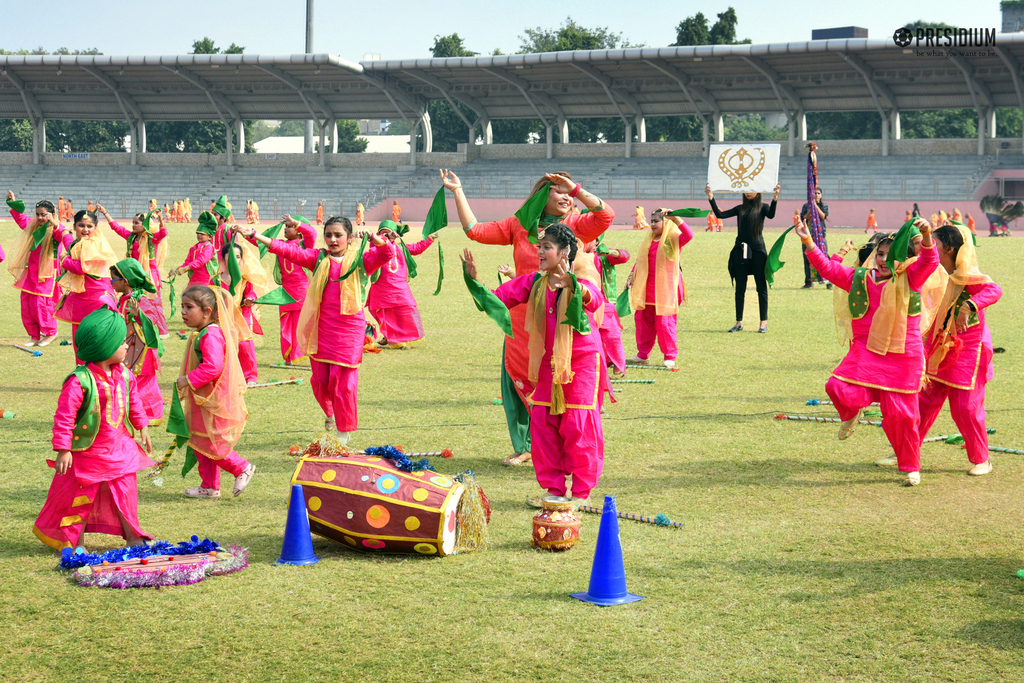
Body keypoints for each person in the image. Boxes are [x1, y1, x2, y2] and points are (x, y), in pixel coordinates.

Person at [440, 168, 614, 467]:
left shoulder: (573, 225)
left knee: (560, 383)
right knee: (517, 382)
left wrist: (576, 189)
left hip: (562, 322)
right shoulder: (519, 226)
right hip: (522, 320)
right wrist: (457, 191)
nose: (564, 197)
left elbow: (605, 217)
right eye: (557, 190)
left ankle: (560, 447)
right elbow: (475, 231)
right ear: (542, 195)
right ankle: (526, 445)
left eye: (566, 192)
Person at [460, 224, 605, 508]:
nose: (539, 252)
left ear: (564, 252)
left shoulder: (580, 276)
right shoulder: (535, 282)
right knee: (544, 425)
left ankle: (580, 493)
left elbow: (594, 298)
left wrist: (572, 286)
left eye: (546, 247)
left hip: (581, 362)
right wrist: (473, 282)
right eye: (539, 246)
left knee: (577, 426)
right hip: (548, 363)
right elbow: (497, 300)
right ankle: (553, 489)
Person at [796, 217, 939, 486]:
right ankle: (851, 414)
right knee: (837, 387)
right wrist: (807, 240)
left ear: (904, 258)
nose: (883, 260)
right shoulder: (860, 278)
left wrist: (927, 236)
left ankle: (910, 467)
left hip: (903, 354)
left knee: (903, 416)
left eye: (891, 254)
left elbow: (931, 262)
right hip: (866, 350)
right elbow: (827, 270)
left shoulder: (911, 277)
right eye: (880, 254)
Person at [237, 217, 394, 444]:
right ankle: (329, 411)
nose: (332, 240)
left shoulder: (362, 260)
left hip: (349, 330)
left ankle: (343, 432)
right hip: (322, 329)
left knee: (345, 384)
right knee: (320, 381)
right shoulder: (318, 259)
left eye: (338, 235)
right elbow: (285, 250)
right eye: (328, 235)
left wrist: (374, 237)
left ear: (350, 238)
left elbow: (387, 254)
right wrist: (252, 233)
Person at [32, 308, 154, 551]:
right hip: (88, 454)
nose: (127, 346)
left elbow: (134, 402)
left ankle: (134, 536)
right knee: (79, 499)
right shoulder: (79, 381)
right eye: (122, 342)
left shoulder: (125, 374)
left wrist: (142, 426)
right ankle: (74, 541)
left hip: (121, 448)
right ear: (105, 347)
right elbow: (64, 417)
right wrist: (63, 449)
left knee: (126, 493)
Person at [916, 223, 1001, 476]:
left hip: (967, 350)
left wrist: (969, 306)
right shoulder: (931, 270)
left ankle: (981, 460)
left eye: (935, 243)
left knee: (966, 406)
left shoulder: (969, 276)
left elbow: (994, 290)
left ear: (950, 248)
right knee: (923, 402)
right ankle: (906, 453)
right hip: (936, 346)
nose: (928, 246)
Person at [176, 285, 255, 498]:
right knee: (200, 439)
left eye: (189, 307)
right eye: (182, 306)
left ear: (207, 311)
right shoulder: (202, 333)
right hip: (202, 397)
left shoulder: (210, 335)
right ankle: (210, 486)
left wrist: (188, 379)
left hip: (212, 398)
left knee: (212, 441)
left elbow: (213, 367)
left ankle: (241, 467)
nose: (183, 311)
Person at [706, 183, 779, 333]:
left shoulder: (763, 207)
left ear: (758, 192)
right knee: (740, 288)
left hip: (758, 251)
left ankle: (763, 323)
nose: (748, 193)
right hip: (740, 250)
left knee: (761, 287)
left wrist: (775, 197)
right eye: (746, 190)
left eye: (751, 190)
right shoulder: (740, 209)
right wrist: (711, 197)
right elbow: (720, 215)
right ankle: (738, 322)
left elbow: (771, 215)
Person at [625, 208, 693, 367]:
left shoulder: (673, 239)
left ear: (666, 222)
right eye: (652, 221)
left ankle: (669, 356)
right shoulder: (648, 240)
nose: (653, 224)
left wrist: (676, 219)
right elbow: (640, 261)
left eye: (657, 221)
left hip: (665, 290)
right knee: (643, 322)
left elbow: (689, 235)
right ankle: (642, 355)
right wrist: (631, 276)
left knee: (664, 323)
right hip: (646, 288)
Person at [247, 214, 316, 364]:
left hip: (302, 293)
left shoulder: (305, 245)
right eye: (285, 226)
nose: (286, 229)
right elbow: (260, 242)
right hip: (285, 293)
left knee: (300, 325)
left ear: (298, 231)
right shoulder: (281, 245)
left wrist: (296, 223)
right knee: (285, 325)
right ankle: (288, 359)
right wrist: (244, 232)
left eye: (289, 227)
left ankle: (298, 356)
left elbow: (312, 232)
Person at [54, 208, 119, 360]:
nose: (85, 229)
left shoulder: (92, 244)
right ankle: (83, 375)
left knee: (93, 337)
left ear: (95, 229)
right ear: (75, 225)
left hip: (96, 297)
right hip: (81, 296)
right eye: (81, 225)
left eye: (89, 226)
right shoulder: (80, 243)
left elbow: (80, 268)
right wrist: (63, 232)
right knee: (80, 337)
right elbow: (71, 244)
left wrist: (63, 259)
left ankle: (94, 375)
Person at [98, 205, 170, 335]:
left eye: (137, 223)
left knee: (153, 302)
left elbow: (163, 233)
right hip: (134, 276)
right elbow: (117, 228)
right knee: (135, 300)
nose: (133, 225)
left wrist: (160, 220)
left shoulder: (151, 238)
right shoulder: (131, 237)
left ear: (145, 224)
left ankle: (160, 331)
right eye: (133, 222)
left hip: (149, 274)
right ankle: (136, 325)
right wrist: (105, 213)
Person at [110, 259, 165, 424]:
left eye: (113, 279)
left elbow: (153, 319)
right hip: (129, 345)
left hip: (141, 348)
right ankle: (132, 411)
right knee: (130, 377)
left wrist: (138, 313)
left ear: (125, 281)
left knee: (143, 380)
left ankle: (150, 414)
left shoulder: (139, 299)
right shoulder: (123, 298)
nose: (111, 283)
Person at [367, 220, 436, 349]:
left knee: (405, 310)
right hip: (381, 286)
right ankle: (389, 335)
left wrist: (430, 238)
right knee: (380, 311)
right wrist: (386, 237)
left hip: (399, 286)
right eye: (382, 233)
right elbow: (375, 242)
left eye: (389, 232)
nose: (386, 235)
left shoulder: (401, 247)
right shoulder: (375, 246)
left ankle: (402, 338)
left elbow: (417, 248)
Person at [6, 192, 61, 346]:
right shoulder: (34, 226)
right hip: (31, 271)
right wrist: (13, 203)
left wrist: (54, 224)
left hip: (47, 273)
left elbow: (63, 237)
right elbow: (21, 219)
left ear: (51, 214)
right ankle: (34, 335)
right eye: (38, 215)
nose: (40, 218)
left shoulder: (57, 229)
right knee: (27, 303)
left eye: (43, 215)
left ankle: (50, 332)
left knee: (40, 304)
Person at [215, 239, 270, 385]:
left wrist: (249, 299)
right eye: (231, 255)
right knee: (223, 345)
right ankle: (225, 374)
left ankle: (250, 376)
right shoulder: (216, 279)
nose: (234, 259)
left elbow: (251, 293)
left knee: (245, 345)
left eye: (238, 256)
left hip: (242, 315)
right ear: (223, 259)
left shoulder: (245, 279)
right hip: (222, 317)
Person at [585, 236, 630, 377]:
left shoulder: (602, 255)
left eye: (587, 238)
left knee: (612, 336)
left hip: (604, 303)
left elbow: (624, 256)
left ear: (596, 241)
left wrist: (610, 252)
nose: (583, 241)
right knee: (588, 337)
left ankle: (618, 364)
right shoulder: (574, 255)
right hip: (584, 302)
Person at [171, 212, 217, 288]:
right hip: (194, 279)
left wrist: (186, 268)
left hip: (206, 280)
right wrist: (177, 269)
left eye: (202, 234)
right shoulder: (193, 248)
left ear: (210, 237)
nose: (199, 235)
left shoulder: (209, 247)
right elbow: (187, 263)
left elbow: (200, 261)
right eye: (198, 233)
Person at [800, 187, 829, 288]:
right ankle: (808, 282)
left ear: (821, 195)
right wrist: (810, 208)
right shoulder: (805, 206)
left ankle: (828, 281)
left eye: (818, 193)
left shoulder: (824, 206)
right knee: (807, 258)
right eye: (815, 193)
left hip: (820, 237)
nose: (816, 195)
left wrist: (815, 206)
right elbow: (804, 218)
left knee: (824, 258)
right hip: (808, 237)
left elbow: (823, 216)